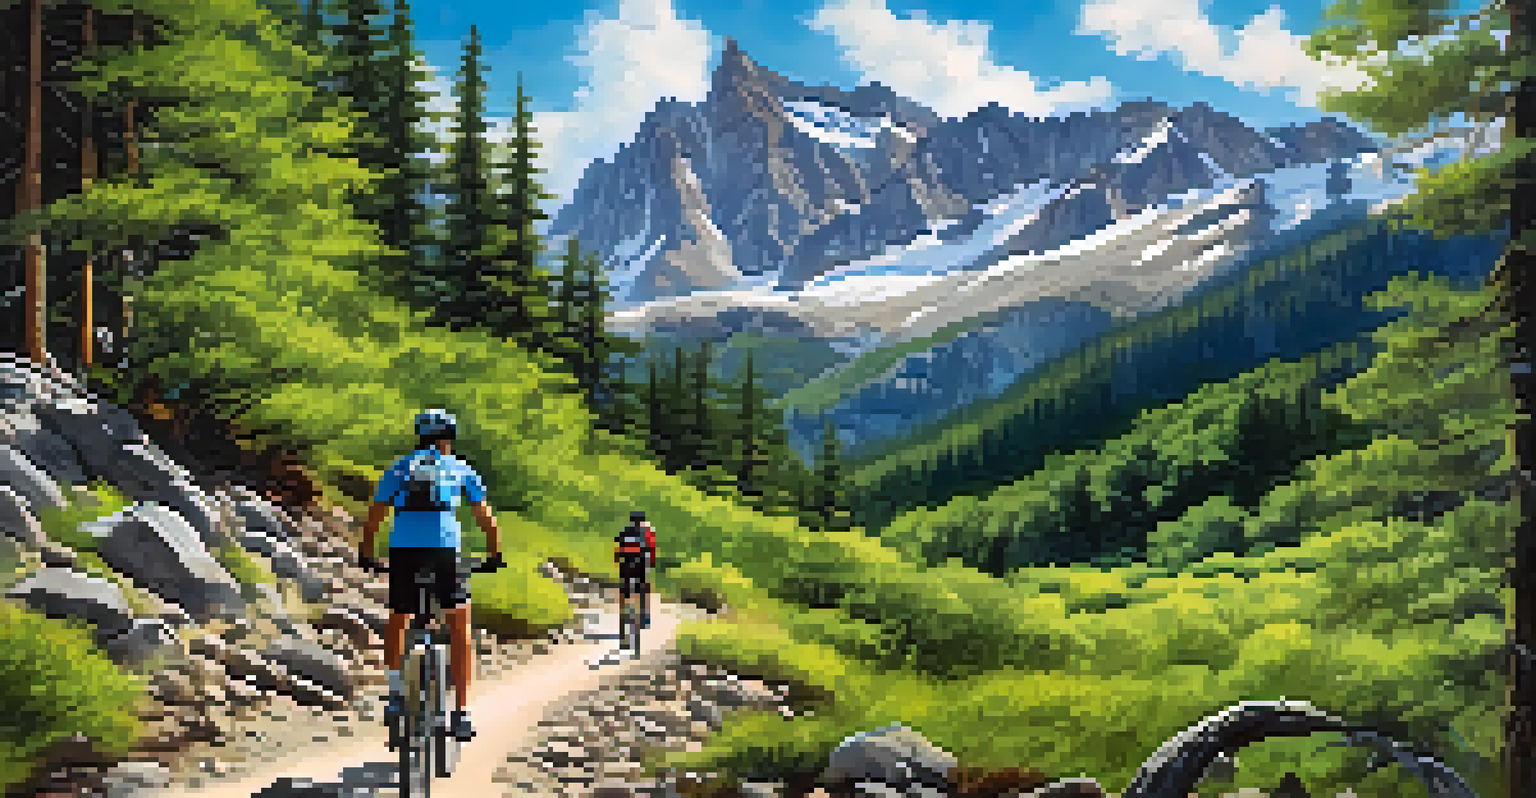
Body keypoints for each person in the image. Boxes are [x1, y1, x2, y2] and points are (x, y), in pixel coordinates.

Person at [358, 409, 505, 743]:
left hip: (404, 553)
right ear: (447, 440)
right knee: (459, 622)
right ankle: (462, 713)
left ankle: (395, 692)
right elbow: (486, 519)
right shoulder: (459, 468)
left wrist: (366, 554)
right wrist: (494, 556)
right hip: (445, 553)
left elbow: (375, 516)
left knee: (398, 615)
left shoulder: (398, 467)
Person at [614, 510, 657, 635]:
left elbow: (618, 547)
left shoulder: (625, 531)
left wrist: (618, 561)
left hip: (626, 564)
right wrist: (651, 562)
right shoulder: (647, 532)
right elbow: (651, 548)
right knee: (643, 588)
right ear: (642, 521)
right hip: (641, 564)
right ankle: (644, 616)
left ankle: (623, 615)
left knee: (624, 590)